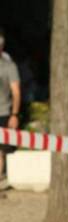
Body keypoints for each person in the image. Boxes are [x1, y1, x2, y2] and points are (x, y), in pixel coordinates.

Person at [0, 28, 21, 185]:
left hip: (3, 112)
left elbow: (16, 91)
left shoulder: (9, 66)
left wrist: (14, 114)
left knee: (0, 151)